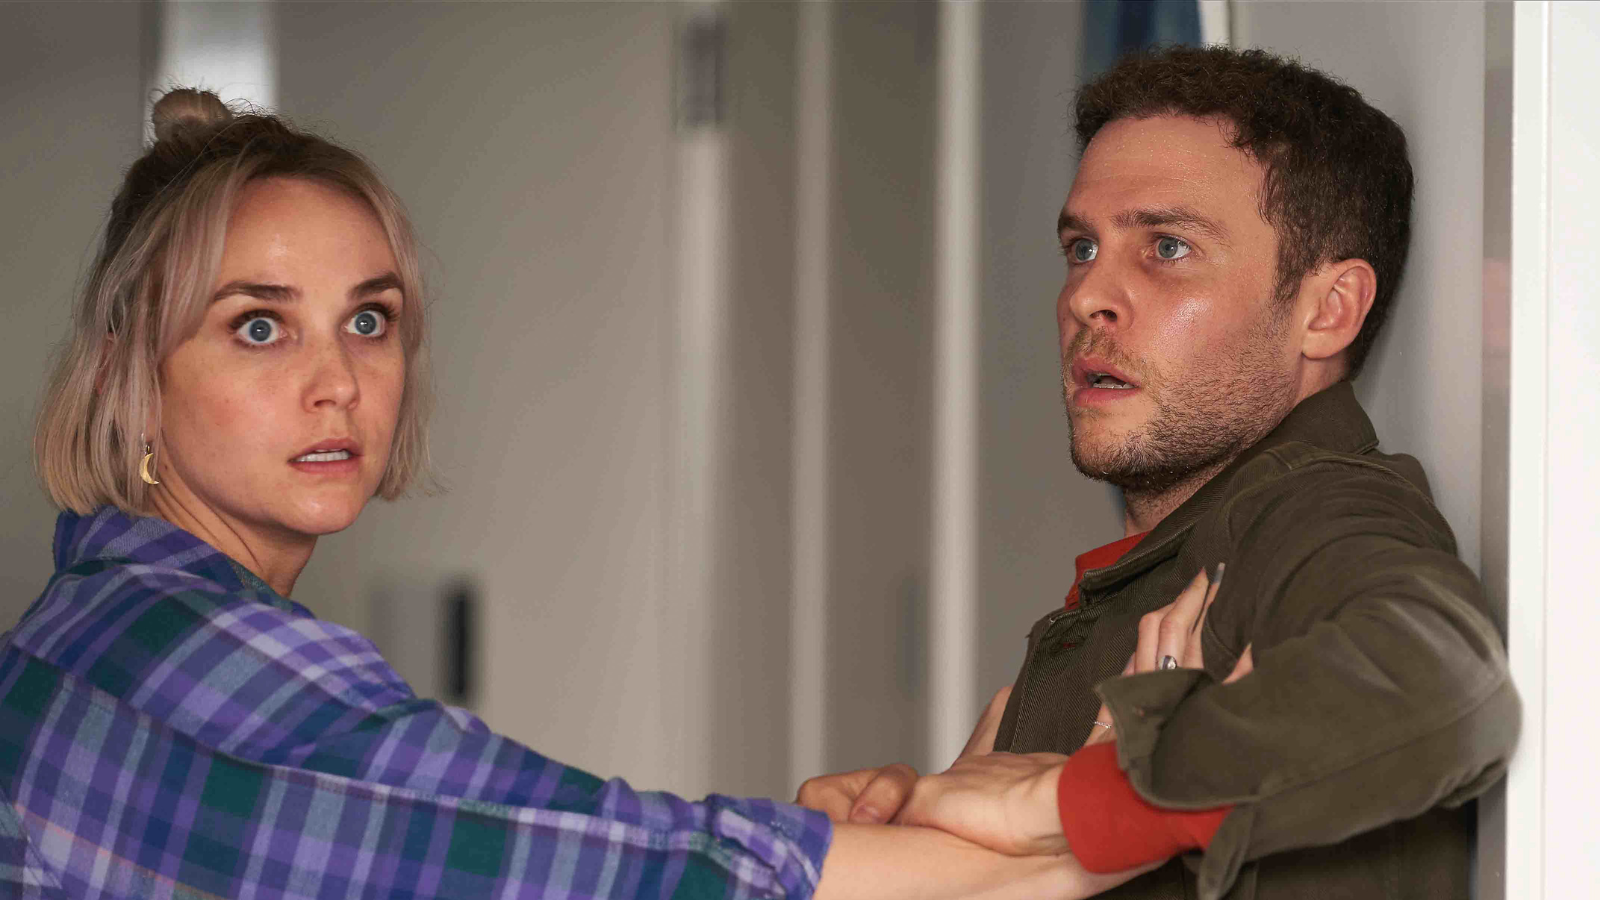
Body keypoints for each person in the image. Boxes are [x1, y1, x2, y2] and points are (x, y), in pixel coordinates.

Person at [0, 89, 1142, 900]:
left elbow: (541, 833)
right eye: (258, 326)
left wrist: (936, 831)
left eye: (368, 319)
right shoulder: (184, 658)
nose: (337, 382)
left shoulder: (101, 619)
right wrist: (1070, 824)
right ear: (132, 370)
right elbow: (607, 866)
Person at [796, 45, 1519, 900]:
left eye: (1166, 246)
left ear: (1328, 311)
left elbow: (1439, 684)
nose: (1085, 297)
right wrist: (914, 851)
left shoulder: (1313, 512)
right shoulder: (1166, 566)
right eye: (1080, 248)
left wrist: (1065, 803)